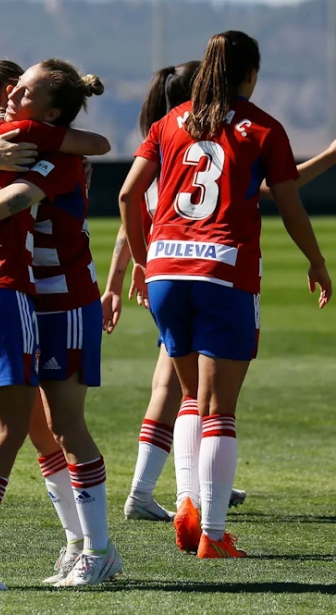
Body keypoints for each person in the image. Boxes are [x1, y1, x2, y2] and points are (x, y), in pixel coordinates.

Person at [119, 30, 331, 559]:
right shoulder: (262, 127)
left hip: (167, 269)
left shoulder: (171, 122)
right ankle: (213, 535)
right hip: (223, 271)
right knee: (220, 410)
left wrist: (144, 262)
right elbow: (288, 204)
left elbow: (127, 194)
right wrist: (317, 260)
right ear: (250, 74)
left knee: (192, 398)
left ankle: (189, 505)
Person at [0, 59, 116, 589]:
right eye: (13, 86)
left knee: (62, 427)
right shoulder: (11, 140)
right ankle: (79, 545)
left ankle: (95, 549)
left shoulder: (50, 151)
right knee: (39, 428)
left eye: (26, 90)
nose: (14, 94)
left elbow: (2, 203)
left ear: (52, 113)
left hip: (65, 302)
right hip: (23, 297)